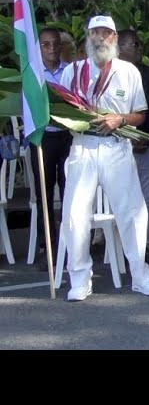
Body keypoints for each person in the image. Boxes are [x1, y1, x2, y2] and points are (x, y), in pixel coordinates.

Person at [59, 15, 149, 301]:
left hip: (117, 146)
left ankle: (141, 276)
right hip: (82, 146)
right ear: (88, 37)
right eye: (95, 32)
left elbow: (141, 114)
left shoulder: (128, 72)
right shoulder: (73, 70)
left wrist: (120, 119)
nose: (100, 37)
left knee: (132, 212)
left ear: (114, 38)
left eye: (106, 32)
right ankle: (80, 280)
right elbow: (61, 110)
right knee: (75, 215)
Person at [117, 29, 149, 264]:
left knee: (146, 199)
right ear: (120, 48)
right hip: (116, 147)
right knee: (120, 199)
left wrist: (146, 138)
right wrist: (126, 138)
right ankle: (120, 249)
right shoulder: (109, 76)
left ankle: (142, 246)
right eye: (135, 44)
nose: (140, 49)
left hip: (147, 145)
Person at [31, 28, 73, 271]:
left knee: (69, 192)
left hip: (67, 137)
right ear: (39, 48)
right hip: (43, 139)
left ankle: (70, 246)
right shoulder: (34, 73)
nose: (51, 49)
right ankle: (49, 247)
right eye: (46, 45)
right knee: (44, 195)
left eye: (55, 44)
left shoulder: (69, 71)